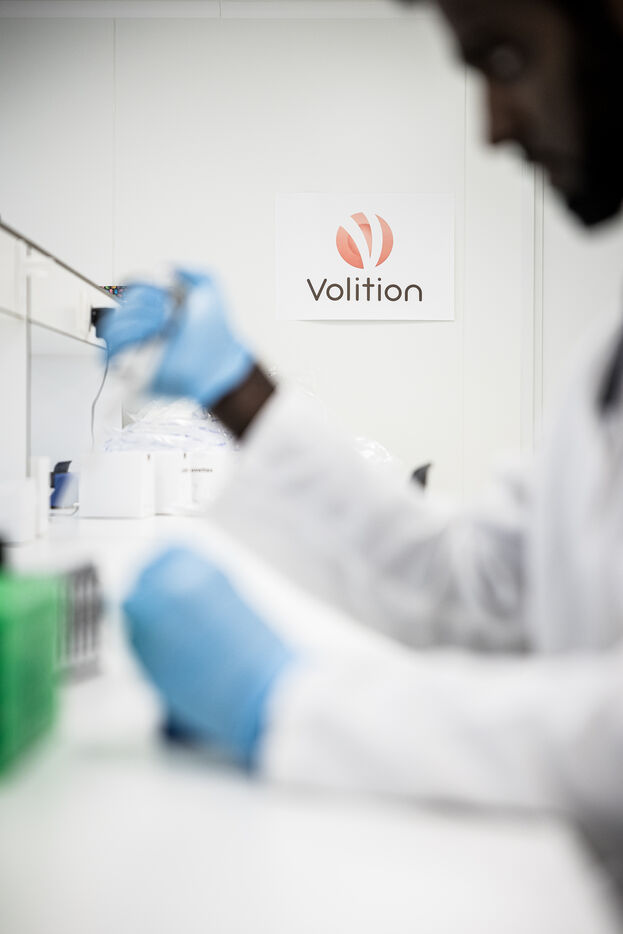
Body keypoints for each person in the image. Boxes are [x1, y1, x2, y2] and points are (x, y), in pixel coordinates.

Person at [104, 0, 623, 872]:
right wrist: (231, 387)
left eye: (507, 60)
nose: (493, 129)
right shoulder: (603, 361)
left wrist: (289, 704)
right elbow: (478, 587)